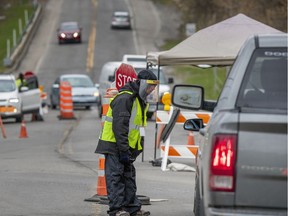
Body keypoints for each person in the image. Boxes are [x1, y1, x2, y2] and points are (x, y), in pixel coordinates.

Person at [95, 69, 159, 216]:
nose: (151, 90)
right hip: (114, 145)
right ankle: (116, 210)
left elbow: (136, 128)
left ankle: (132, 208)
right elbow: (120, 127)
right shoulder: (125, 98)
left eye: (153, 87)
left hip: (125, 147)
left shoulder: (138, 99)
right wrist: (124, 150)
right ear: (141, 83)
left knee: (128, 177)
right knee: (115, 177)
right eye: (150, 86)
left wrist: (135, 150)